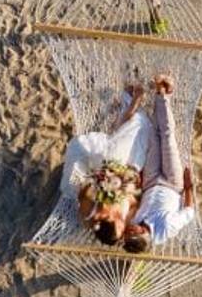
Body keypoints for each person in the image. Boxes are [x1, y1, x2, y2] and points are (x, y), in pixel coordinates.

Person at [60, 83, 152, 244]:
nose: (124, 228)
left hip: (102, 168)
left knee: (116, 150)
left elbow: (84, 188)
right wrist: (128, 182)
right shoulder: (127, 218)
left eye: (119, 228)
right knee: (140, 133)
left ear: (110, 220)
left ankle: (131, 104)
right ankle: (128, 104)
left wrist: (104, 179)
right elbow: (136, 198)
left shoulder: (89, 211)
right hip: (131, 170)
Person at [123, 75, 196, 253]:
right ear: (140, 233)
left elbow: (136, 202)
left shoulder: (134, 221)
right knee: (168, 137)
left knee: (153, 137)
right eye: (130, 232)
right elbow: (189, 212)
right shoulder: (166, 228)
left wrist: (138, 180)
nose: (129, 229)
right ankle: (163, 93)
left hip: (150, 181)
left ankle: (156, 95)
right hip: (173, 183)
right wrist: (188, 186)